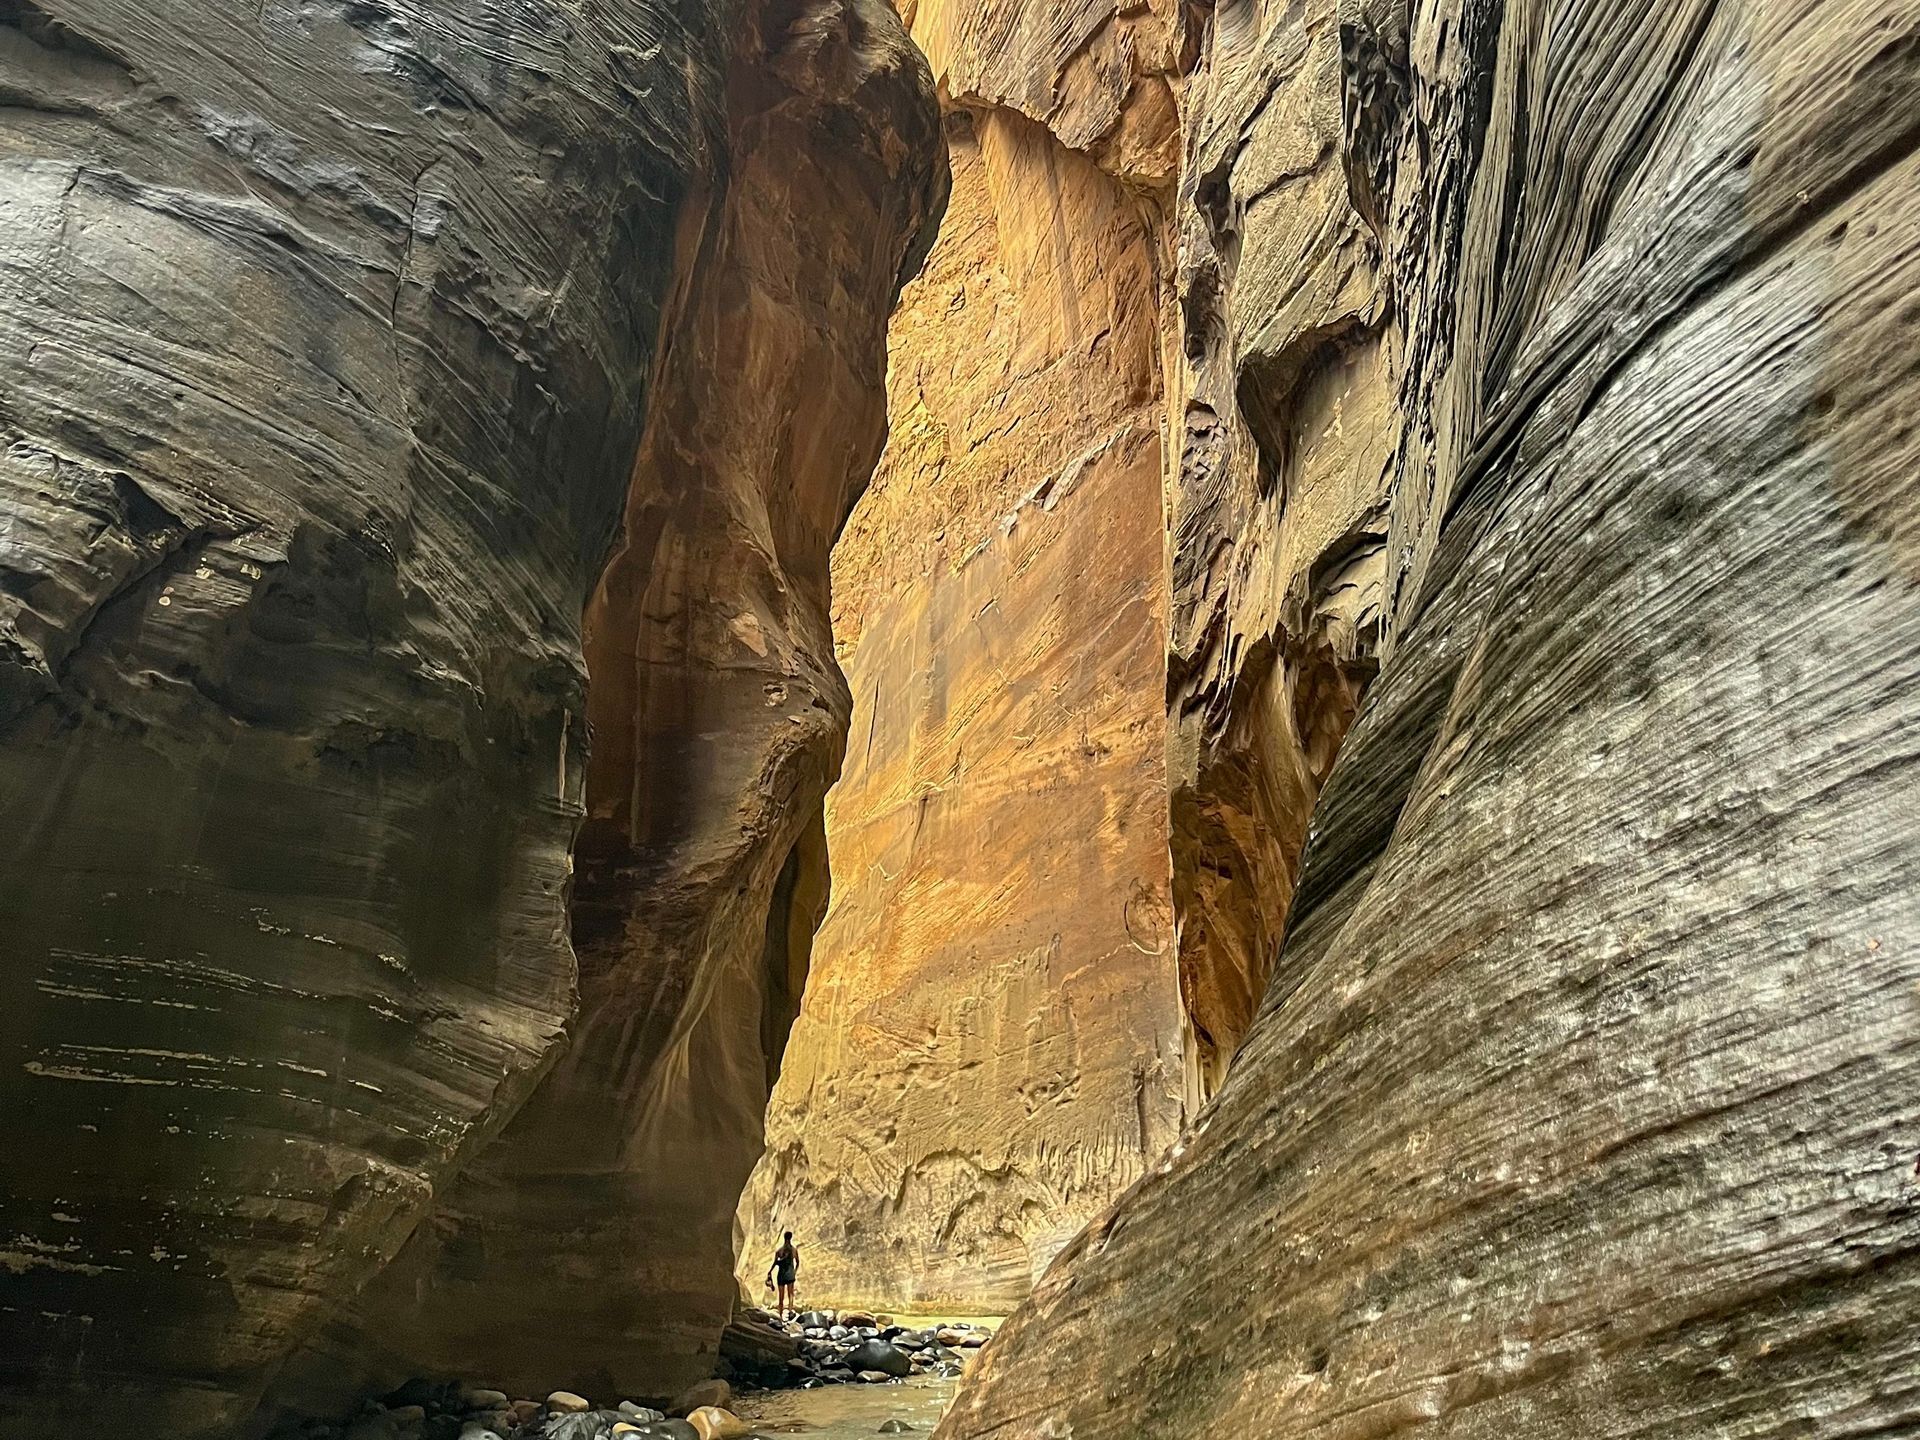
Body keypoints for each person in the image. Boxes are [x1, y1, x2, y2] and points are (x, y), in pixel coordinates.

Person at [765, 1231, 800, 1320]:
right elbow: (797, 1262)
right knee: (790, 1294)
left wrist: (769, 1272)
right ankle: (790, 1312)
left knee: (781, 1296)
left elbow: (775, 1263)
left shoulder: (779, 1250)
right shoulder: (794, 1250)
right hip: (790, 1274)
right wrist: (794, 1272)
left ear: (784, 1238)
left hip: (781, 1275)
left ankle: (780, 1316)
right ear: (791, 1238)